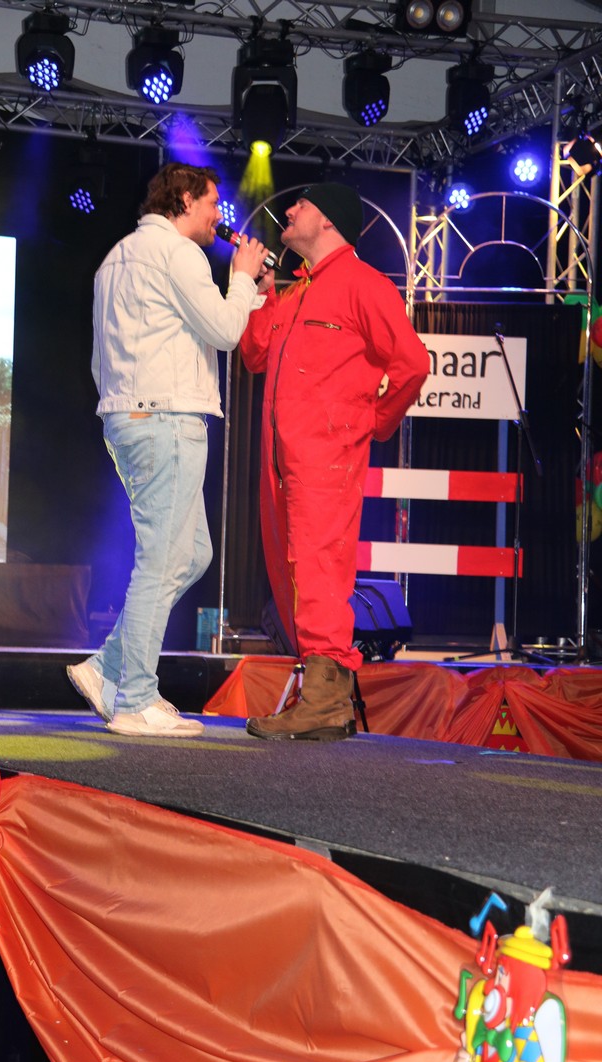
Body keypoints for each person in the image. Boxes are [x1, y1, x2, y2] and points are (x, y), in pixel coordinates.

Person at [68, 162, 270, 738]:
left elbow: (141, 341)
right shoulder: (178, 254)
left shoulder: (116, 259)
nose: (218, 216)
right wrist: (243, 277)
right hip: (166, 419)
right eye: (211, 203)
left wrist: (247, 296)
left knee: (193, 554)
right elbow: (224, 332)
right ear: (183, 200)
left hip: (127, 417)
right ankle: (135, 699)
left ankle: (105, 668)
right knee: (161, 560)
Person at [239, 181, 430, 741]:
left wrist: (373, 422)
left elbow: (413, 363)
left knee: (318, 567)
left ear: (328, 219)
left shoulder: (363, 284)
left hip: (326, 457)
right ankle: (324, 699)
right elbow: (254, 355)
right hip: (282, 459)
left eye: (300, 205)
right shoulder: (296, 291)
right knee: (295, 570)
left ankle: (324, 697)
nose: (288, 210)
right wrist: (260, 295)